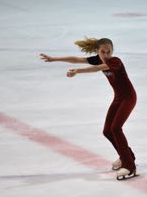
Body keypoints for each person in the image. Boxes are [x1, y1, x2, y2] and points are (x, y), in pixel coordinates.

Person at [39, 37, 137, 180]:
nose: (106, 55)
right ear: (98, 51)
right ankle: (126, 156)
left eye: (108, 51)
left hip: (128, 97)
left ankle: (129, 166)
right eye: (103, 52)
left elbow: (97, 68)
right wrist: (54, 59)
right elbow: (76, 59)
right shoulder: (98, 58)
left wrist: (77, 72)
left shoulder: (115, 61)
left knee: (116, 128)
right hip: (118, 98)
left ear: (112, 51)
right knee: (107, 131)